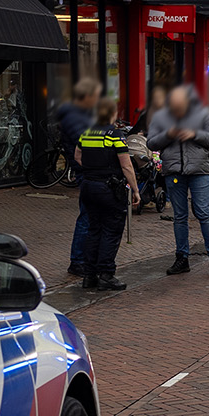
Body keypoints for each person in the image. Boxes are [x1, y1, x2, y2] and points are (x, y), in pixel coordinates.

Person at [148, 83, 209, 276]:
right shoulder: (160, 117)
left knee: (204, 213)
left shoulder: (203, 115)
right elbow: (151, 142)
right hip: (174, 172)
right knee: (179, 216)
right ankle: (182, 258)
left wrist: (195, 134)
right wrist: (169, 134)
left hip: (199, 171)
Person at [74, 97, 139, 291]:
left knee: (94, 229)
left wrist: (91, 170)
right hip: (108, 188)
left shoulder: (86, 133)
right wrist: (135, 189)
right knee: (111, 231)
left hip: (88, 186)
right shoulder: (114, 134)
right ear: (112, 113)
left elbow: (77, 155)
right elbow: (126, 165)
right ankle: (106, 275)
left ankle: (89, 275)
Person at [54, 77, 99, 278]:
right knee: (87, 216)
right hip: (86, 171)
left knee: (91, 215)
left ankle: (85, 258)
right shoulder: (74, 117)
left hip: (89, 170)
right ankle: (78, 260)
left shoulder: (80, 115)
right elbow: (87, 141)